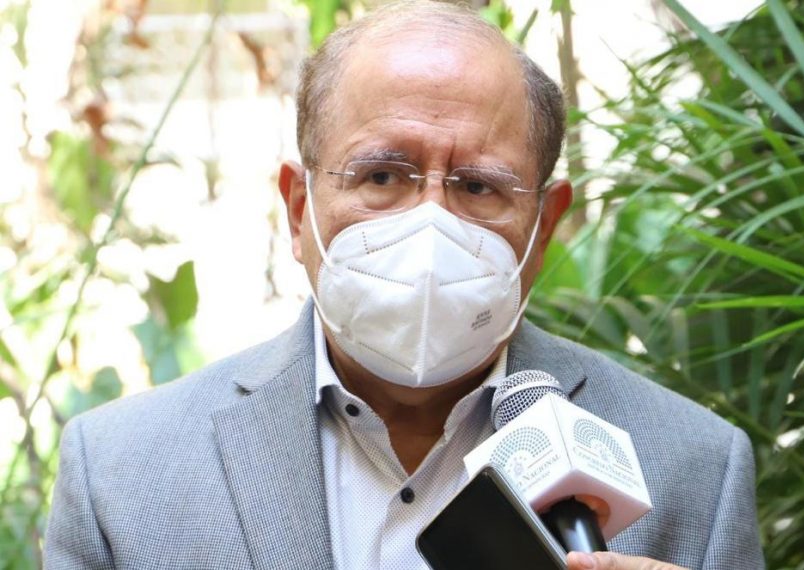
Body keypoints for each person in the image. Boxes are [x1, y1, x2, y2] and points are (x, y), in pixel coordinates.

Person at [44, 1, 764, 569]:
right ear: (298, 209)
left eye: (478, 185)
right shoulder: (120, 473)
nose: (429, 227)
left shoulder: (692, 468)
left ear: (543, 229)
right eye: (382, 175)